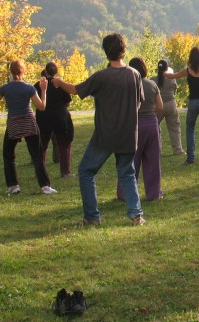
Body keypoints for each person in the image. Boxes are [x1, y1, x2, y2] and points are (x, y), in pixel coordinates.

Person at [52, 33, 146, 226]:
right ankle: (136, 215)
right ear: (123, 50)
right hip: (128, 134)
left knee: (86, 171)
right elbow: (139, 103)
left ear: (105, 52)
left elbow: (76, 90)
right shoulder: (134, 75)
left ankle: (92, 217)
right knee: (127, 174)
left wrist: (59, 82)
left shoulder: (102, 77)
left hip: (105, 135)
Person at [0, 60, 58, 196]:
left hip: (13, 122)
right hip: (28, 121)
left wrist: (5, 93)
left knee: (8, 154)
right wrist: (44, 90)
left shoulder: (5, 88)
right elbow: (41, 107)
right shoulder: (29, 88)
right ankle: (45, 186)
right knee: (37, 155)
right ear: (23, 71)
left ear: (10, 71)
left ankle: (13, 186)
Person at [116, 57, 163, 201]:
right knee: (152, 160)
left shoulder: (126, 85)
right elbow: (160, 107)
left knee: (130, 160)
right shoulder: (152, 85)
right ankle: (154, 194)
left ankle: (124, 193)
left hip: (133, 125)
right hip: (151, 124)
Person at [165, 47, 199, 165]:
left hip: (193, 102)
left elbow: (173, 76)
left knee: (190, 129)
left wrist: (163, 72)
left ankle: (190, 158)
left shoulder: (187, 71)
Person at [35, 62, 75, 178]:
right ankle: (65, 171)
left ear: (45, 71)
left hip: (43, 118)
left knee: (42, 146)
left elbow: (35, 101)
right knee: (64, 145)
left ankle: (40, 171)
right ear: (56, 72)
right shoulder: (61, 85)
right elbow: (67, 102)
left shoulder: (38, 85)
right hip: (60, 117)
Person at [155, 59, 184, 155]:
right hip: (171, 104)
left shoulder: (152, 80)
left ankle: (157, 150)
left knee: (155, 127)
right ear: (167, 68)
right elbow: (174, 91)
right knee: (174, 127)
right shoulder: (172, 80)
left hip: (158, 106)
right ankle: (178, 149)